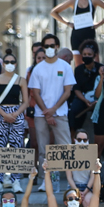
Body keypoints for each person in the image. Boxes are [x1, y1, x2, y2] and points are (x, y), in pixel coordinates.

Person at [28, 34, 76, 189]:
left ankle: (70, 181)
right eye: (46, 46)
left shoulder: (65, 66)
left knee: (65, 149)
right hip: (40, 114)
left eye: (52, 45)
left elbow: (67, 91)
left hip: (60, 113)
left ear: (57, 46)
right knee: (43, 149)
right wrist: (46, 112)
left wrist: (53, 110)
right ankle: (45, 180)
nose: (49, 49)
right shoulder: (38, 68)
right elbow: (35, 92)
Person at [0, 49, 30, 192]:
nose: (9, 64)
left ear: (16, 64)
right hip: (0, 113)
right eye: (7, 62)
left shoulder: (21, 80)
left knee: (17, 147)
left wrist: (16, 113)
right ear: (3, 64)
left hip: (16, 114)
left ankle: (15, 180)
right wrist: (4, 114)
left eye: (12, 62)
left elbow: (25, 101)